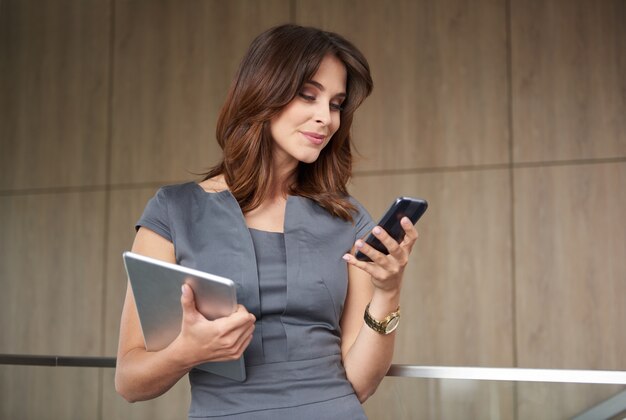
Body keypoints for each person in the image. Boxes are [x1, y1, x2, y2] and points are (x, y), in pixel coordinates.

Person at [115, 24, 419, 419]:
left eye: (335, 104)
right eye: (308, 95)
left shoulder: (348, 218)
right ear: (263, 93)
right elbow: (129, 381)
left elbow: (360, 383)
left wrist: (387, 292)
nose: (325, 118)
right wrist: (186, 352)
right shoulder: (174, 212)